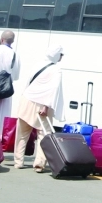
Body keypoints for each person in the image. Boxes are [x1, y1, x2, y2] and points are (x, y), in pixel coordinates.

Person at [13, 45, 65, 173]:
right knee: (44, 134)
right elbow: (53, 89)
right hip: (42, 104)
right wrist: (46, 106)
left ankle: (18, 162)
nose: (62, 57)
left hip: (27, 100)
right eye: (61, 55)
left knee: (22, 133)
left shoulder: (38, 64)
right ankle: (39, 164)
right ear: (57, 55)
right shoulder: (56, 70)